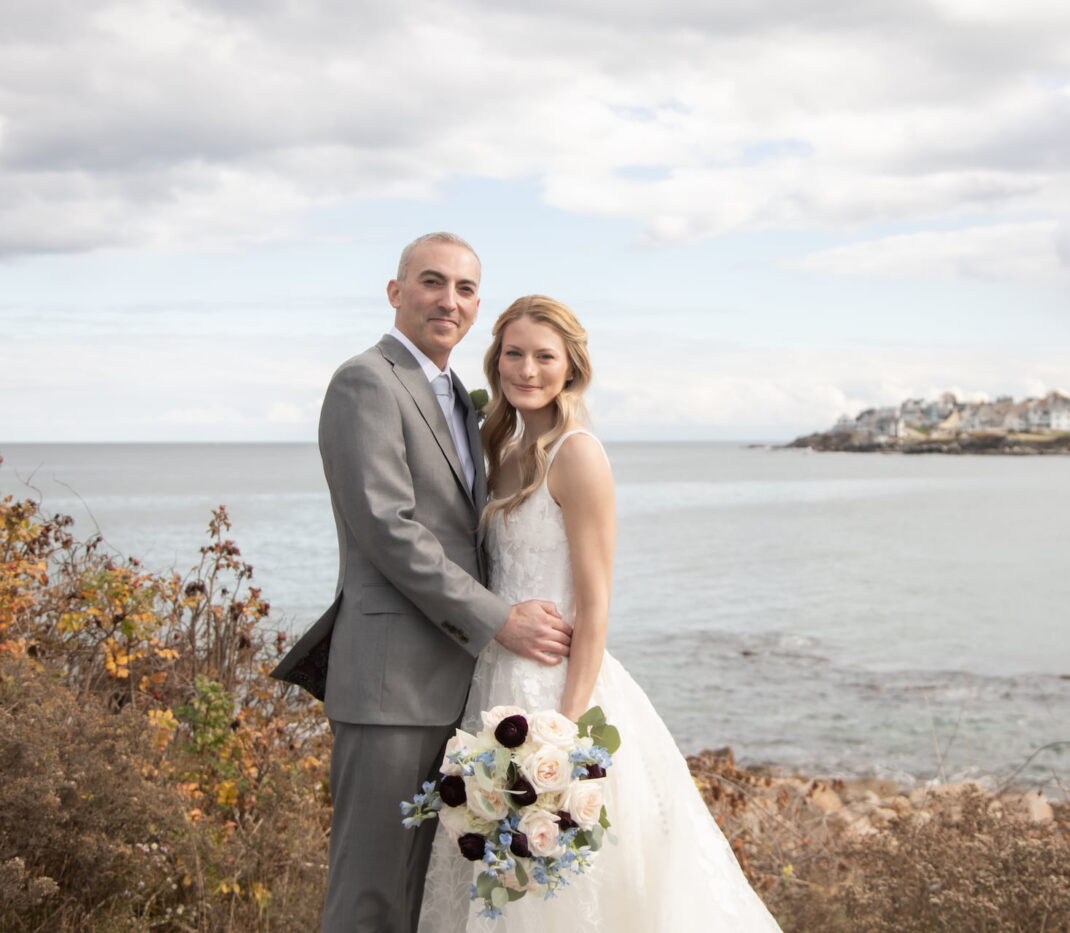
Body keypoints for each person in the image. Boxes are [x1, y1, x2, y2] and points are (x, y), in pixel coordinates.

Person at [416, 296, 782, 932]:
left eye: (544, 356)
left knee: (559, 885)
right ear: (495, 359)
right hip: (490, 684)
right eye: (513, 353)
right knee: (490, 875)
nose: (526, 369)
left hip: (557, 689)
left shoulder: (577, 455)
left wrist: (563, 732)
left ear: (571, 369)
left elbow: (595, 603)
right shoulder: (495, 449)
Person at [271, 233, 574, 933]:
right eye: (432, 282)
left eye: (465, 288)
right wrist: (500, 617)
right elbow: (388, 528)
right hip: (391, 685)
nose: (449, 299)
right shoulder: (366, 381)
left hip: (461, 687)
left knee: (425, 890)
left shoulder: (461, 403)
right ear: (396, 292)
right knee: (370, 892)